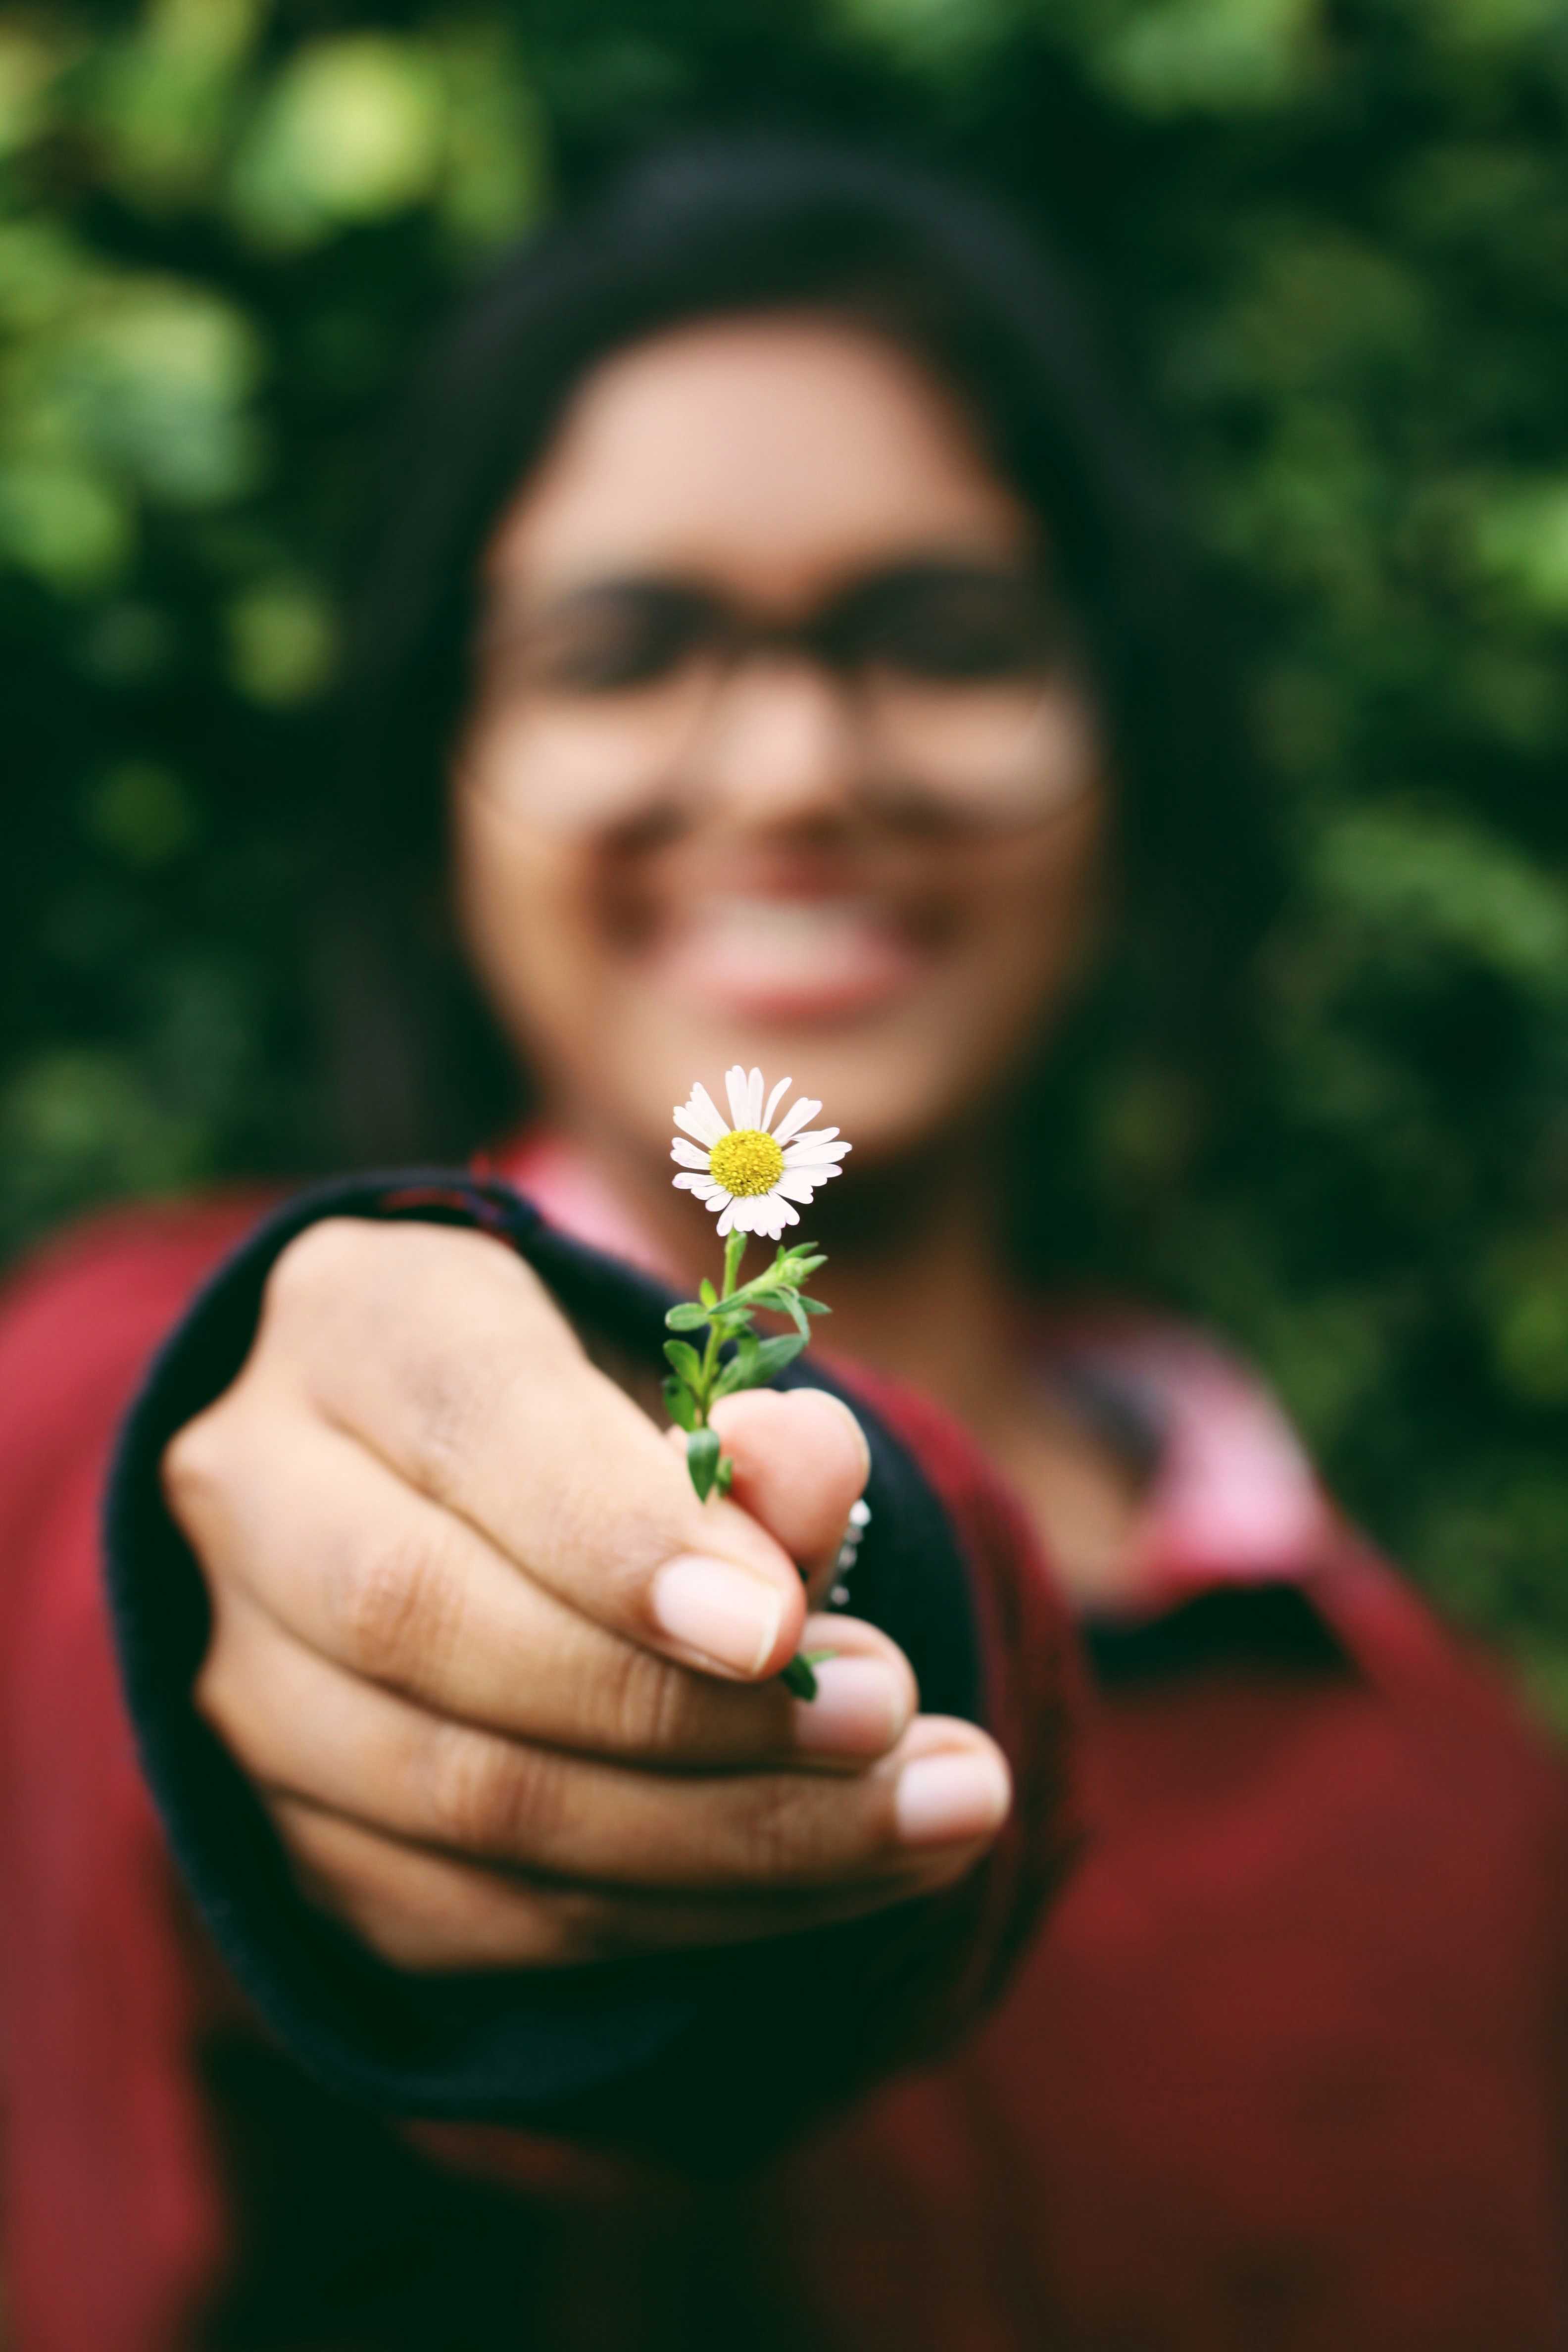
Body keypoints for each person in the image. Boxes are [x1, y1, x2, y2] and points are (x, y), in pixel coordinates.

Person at [0, 139, 1562, 2352]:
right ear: (442, 779)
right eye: (620, 653)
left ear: (1126, 747)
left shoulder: (1463, 1791)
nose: (798, 769)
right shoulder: (127, 1401)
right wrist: (296, 1684)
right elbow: (128, 1586)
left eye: (947, 640)